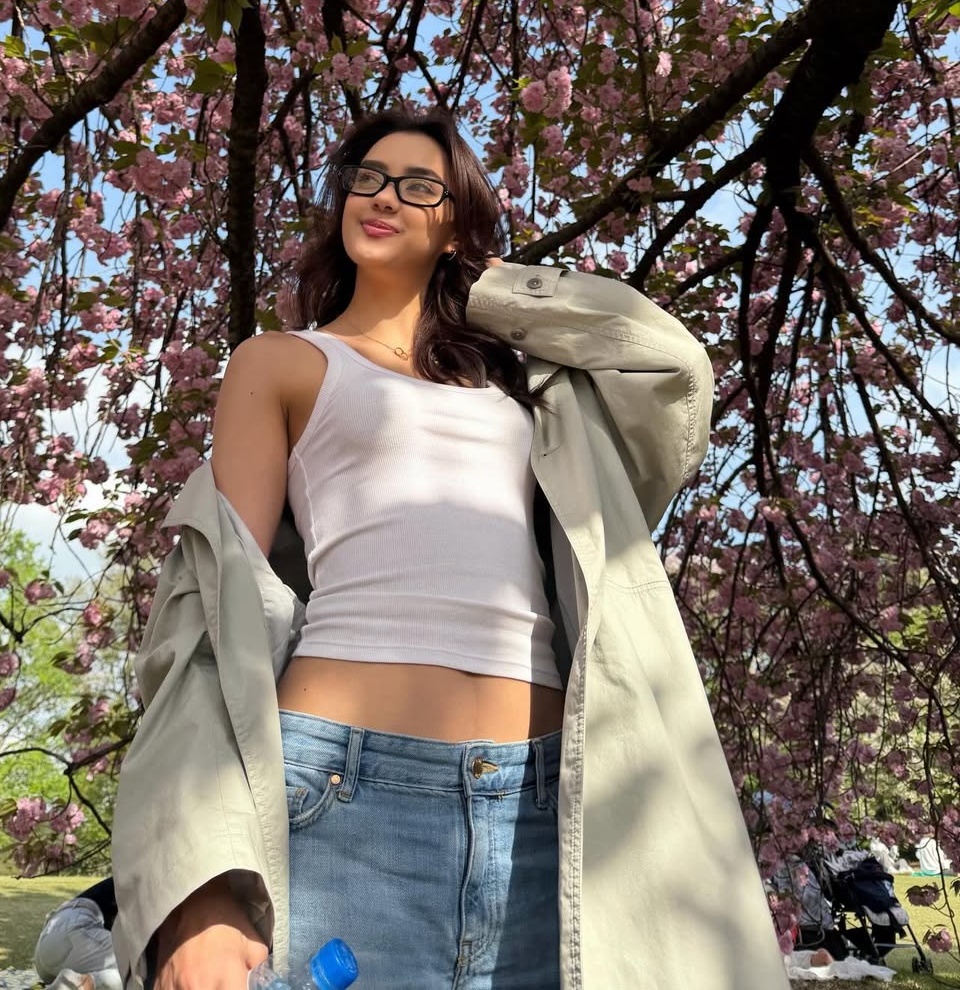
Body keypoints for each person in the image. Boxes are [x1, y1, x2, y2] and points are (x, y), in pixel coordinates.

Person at [112, 109, 790, 990]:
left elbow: (674, 368)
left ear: (458, 223)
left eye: (419, 186)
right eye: (367, 178)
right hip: (342, 791)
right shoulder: (280, 363)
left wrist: (486, 287)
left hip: (547, 803)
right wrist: (196, 889)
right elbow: (214, 608)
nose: (384, 197)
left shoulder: (534, 389)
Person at [34, 877, 120, 990]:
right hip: (75, 934)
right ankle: (78, 984)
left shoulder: (125, 875)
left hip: (48, 945)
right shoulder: (138, 878)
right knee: (138, 967)